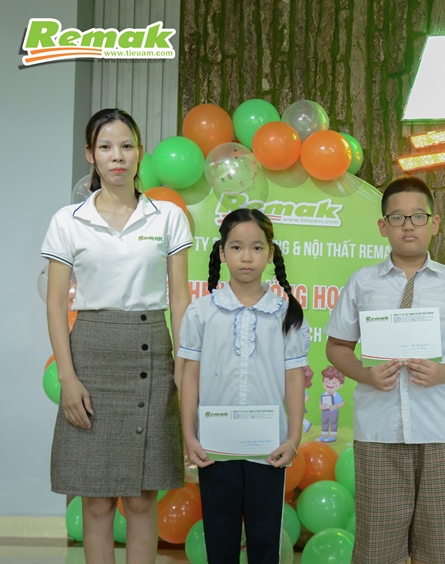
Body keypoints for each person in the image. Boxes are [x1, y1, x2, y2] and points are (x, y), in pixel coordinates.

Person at [41, 108, 191, 562]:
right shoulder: (68, 220)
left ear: (140, 152)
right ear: (91, 155)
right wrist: (67, 377)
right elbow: (55, 303)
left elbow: (180, 299)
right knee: (97, 501)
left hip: (152, 352)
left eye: (127, 146)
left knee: (143, 499)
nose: (117, 156)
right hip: (90, 355)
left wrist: (184, 366)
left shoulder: (167, 216)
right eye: (106, 147)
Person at [325, 176, 445, 564]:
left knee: (442, 544)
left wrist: (443, 373)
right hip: (379, 427)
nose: (408, 226)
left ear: (434, 223)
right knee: (378, 546)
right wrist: (366, 375)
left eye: (418, 216)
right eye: (397, 218)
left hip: (437, 426)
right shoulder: (362, 283)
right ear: (382, 226)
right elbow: (336, 346)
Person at [178, 208, 308, 563]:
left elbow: (294, 378)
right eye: (236, 247)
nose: (246, 257)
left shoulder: (286, 314)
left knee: (265, 539)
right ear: (222, 253)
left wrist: (293, 439)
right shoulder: (201, 312)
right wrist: (189, 435)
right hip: (215, 447)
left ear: (270, 253)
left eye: (256, 247)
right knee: (220, 537)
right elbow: (189, 376)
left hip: (268, 449)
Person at [319, 366, 346, 442]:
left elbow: (342, 403)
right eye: (327, 382)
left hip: (334, 412)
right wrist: (322, 407)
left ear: (340, 385)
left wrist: (336, 406)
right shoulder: (323, 394)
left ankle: (333, 436)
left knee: (333, 423)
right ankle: (324, 435)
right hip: (325, 412)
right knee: (324, 422)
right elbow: (320, 404)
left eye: (334, 383)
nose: (330, 384)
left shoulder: (337, 395)